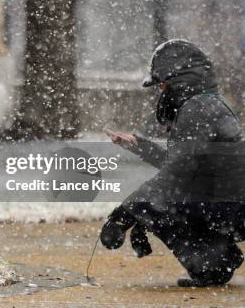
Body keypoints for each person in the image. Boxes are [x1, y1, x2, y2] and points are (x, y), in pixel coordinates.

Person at [102, 39, 245, 287]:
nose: (161, 90)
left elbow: (173, 177)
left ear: (179, 81)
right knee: (163, 199)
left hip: (231, 207)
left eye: (163, 84)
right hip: (230, 204)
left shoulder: (198, 110)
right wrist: (139, 145)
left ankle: (211, 264)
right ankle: (215, 263)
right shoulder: (204, 104)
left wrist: (122, 216)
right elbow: (183, 167)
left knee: (154, 205)